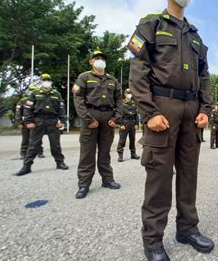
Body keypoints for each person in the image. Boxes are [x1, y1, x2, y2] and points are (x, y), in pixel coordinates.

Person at [128, 0, 214, 261]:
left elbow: (205, 76)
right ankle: (152, 242)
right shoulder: (151, 24)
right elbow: (137, 72)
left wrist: (206, 107)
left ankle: (187, 229)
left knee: (188, 175)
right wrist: (149, 112)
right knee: (159, 179)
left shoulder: (195, 35)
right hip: (162, 108)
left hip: (192, 112)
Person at [73, 50, 122, 199]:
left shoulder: (113, 80)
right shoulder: (84, 77)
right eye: (97, 58)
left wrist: (116, 118)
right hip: (91, 116)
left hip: (108, 117)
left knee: (105, 152)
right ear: (91, 61)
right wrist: (87, 119)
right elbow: (78, 99)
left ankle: (107, 179)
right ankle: (84, 184)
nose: (100, 60)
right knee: (87, 152)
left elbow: (119, 101)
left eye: (102, 58)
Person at [15, 74, 68, 176]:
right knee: (33, 144)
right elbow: (27, 109)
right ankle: (26, 166)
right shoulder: (35, 93)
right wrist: (28, 122)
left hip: (53, 121)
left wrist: (62, 121)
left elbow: (61, 109)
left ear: (51, 81)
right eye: (44, 80)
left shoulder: (56, 94)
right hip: (38, 120)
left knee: (55, 144)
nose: (46, 81)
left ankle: (60, 162)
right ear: (40, 81)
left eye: (48, 80)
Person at [15, 84, 44, 159]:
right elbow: (18, 112)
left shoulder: (39, 100)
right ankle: (23, 153)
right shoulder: (23, 100)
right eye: (31, 90)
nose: (32, 92)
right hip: (26, 122)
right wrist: (19, 122)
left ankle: (40, 152)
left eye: (33, 90)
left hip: (37, 121)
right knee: (25, 138)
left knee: (38, 138)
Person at [117, 88, 140, 162]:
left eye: (130, 93)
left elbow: (136, 115)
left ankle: (133, 154)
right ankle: (120, 155)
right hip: (125, 122)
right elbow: (119, 115)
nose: (129, 95)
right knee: (122, 140)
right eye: (128, 93)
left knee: (132, 139)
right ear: (125, 94)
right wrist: (121, 124)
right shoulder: (121, 104)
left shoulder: (134, 103)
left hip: (132, 123)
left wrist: (136, 124)